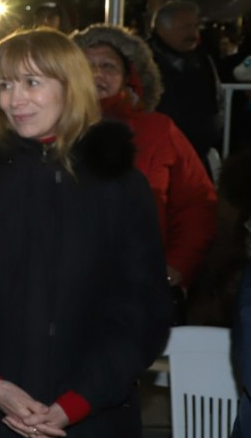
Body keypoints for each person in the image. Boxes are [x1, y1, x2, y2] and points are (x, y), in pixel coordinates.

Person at [0, 29, 170, 438]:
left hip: (89, 429)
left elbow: (141, 307)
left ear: (70, 86)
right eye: (4, 84)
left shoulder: (117, 182)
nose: (13, 99)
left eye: (31, 83)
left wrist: (79, 401)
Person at [72, 25, 216, 295]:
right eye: (85, 65)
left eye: (108, 65)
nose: (96, 74)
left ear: (130, 76)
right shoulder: (50, 129)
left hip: (141, 286)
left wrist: (177, 264)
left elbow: (196, 203)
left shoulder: (159, 130)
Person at [147, 0, 221, 170]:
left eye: (196, 27)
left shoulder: (202, 60)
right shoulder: (143, 62)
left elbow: (216, 100)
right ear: (162, 29)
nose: (194, 33)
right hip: (158, 153)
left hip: (197, 152)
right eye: (186, 27)